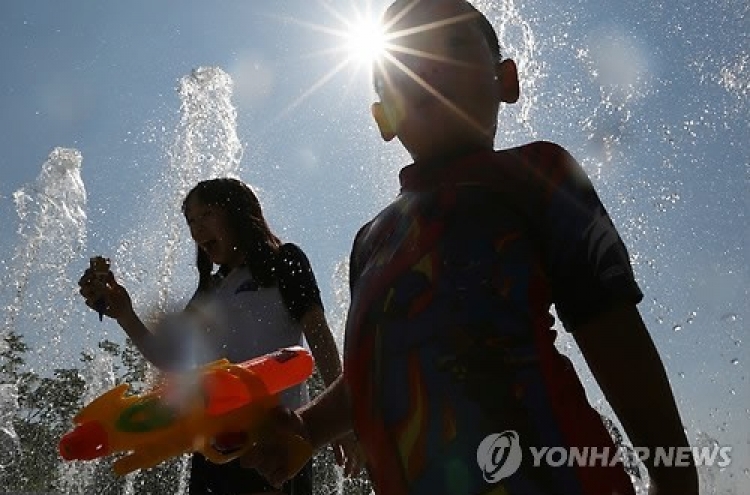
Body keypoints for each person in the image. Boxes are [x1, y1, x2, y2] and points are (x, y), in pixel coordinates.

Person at [240, 1, 699, 494]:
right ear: (383, 117)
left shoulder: (538, 174)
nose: (427, 66)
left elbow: (610, 328)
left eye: (454, 45)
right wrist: (306, 428)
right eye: (402, 62)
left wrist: (673, 476)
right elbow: (370, 374)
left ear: (506, 80)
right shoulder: (370, 241)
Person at [78, 177, 360, 495]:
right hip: (214, 447)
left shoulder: (283, 262)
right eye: (191, 221)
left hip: (276, 438)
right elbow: (170, 358)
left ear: (238, 212)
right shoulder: (209, 291)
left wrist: (344, 418)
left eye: (206, 214)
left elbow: (317, 331)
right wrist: (125, 313)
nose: (197, 229)